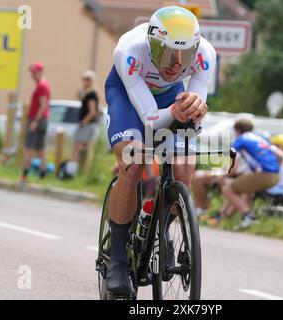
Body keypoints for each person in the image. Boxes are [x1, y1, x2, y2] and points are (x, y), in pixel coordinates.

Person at [104, 6, 216, 295]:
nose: (176, 65)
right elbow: (151, 119)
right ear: (152, 45)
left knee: (185, 167)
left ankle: (159, 228)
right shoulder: (129, 50)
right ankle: (117, 260)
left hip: (168, 96)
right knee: (134, 161)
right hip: (128, 95)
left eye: (185, 56)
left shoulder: (205, 54)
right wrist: (178, 112)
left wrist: (195, 109)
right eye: (168, 55)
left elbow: (195, 109)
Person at [221, 119, 280, 229]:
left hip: (264, 174)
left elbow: (234, 166)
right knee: (246, 189)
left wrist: (222, 176)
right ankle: (228, 216)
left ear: (236, 130)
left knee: (228, 189)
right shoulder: (261, 138)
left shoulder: (240, 140)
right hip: (276, 175)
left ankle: (249, 217)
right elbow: (280, 156)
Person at [21, 62, 51, 182]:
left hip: (37, 119)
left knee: (29, 147)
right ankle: (42, 174)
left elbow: (43, 105)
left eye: (34, 72)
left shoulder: (42, 86)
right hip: (42, 119)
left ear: (40, 72)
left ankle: (24, 175)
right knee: (41, 149)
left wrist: (35, 121)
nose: (32, 75)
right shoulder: (42, 84)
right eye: (32, 72)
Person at [66, 70, 100, 176]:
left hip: (87, 125)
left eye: (88, 79)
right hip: (89, 125)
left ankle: (72, 172)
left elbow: (93, 112)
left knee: (77, 148)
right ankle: (82, 172)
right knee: (85, 149)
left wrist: (83, 123)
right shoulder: (88, 93)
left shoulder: (91, 94)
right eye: (83, 79)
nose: (84, 81)